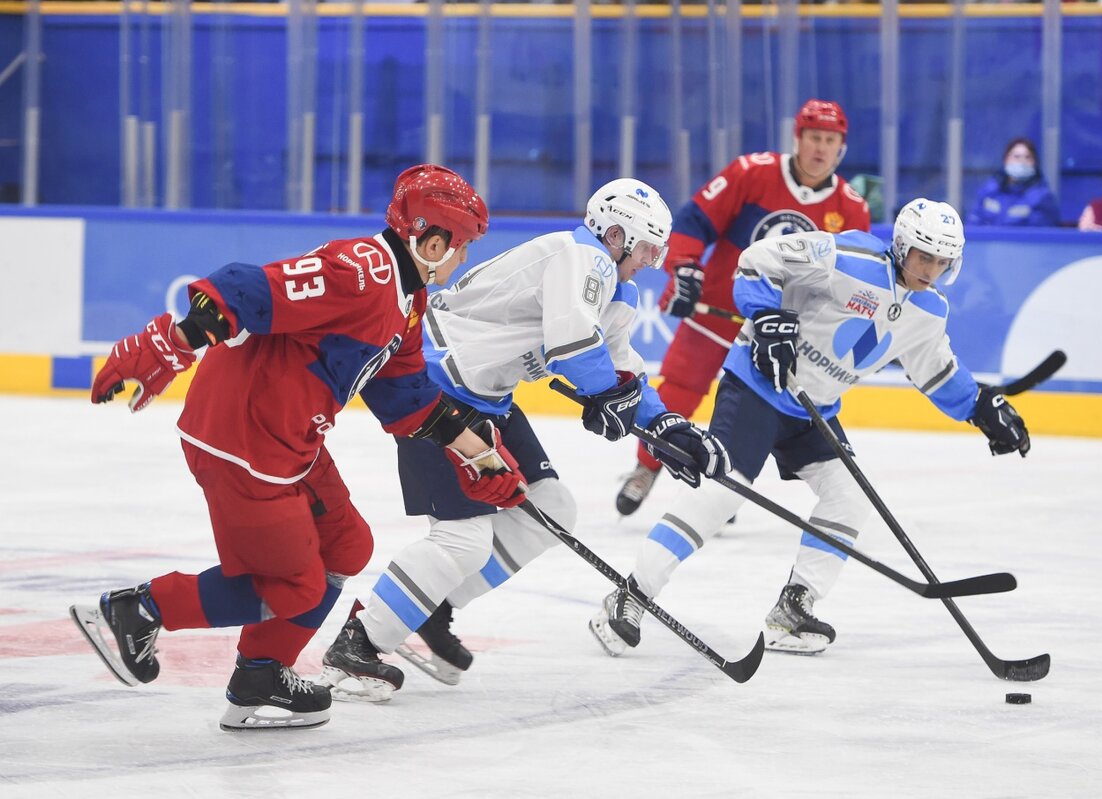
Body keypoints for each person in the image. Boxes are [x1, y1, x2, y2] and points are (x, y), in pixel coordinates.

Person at [69, 164, 526, 731]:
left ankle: (260, 674)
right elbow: (248, 289)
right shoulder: (362, 272)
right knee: (294, 587)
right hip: (240, 439)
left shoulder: (406, 305)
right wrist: (175, 340)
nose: (461, 261)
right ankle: (139, 610)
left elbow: (407, 398)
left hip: (290, 442)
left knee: (347, 546)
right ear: (431, 242)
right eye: (459, 249)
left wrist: (475, 452)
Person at [317, 178, 730, 700]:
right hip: (436, 389)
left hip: (485, 395)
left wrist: (668, 428)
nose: (652, 261)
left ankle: (430, 606)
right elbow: (574, 346)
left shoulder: (613, 287)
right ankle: (358, 642)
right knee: (462, 539)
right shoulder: (582, 256)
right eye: (647, 248)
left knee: (552, 506)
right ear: (618, 235)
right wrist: (610, 394)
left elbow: (621, 371)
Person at [590, 198, 1031, 659]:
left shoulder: (930, 311)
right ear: (901, 246)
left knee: (850, 498)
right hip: (757, 388)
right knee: (721, 492)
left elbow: (937, 371)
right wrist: (765, 318)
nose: (931, 270)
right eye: (925, 256)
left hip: (812, 408)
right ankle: (631, 594)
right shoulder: (848, 257)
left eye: (943, 262)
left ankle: (793, 609)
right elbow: (757, 261)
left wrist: (981, 409)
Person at [615, 98, 871, 517]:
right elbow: (694, 220)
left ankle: (722, 484)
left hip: (777, 331)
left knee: (747, 410)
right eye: (813, 138)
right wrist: (684, 269)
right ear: (797, 139)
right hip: (717, 307)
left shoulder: (851, 208)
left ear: (841, 149)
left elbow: (848, 280)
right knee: (679, 388)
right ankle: (647, 467)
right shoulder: (752, 173)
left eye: (830, 140)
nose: (820, 149)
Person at [966, 137, 1060, 227]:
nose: (1022, 162)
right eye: (1016, 157)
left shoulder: (1042, 197)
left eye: (1028, 157)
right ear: (1005, 160)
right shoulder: (989, 191)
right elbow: (973, 221)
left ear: (1035, 163)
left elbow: (1042, 234)